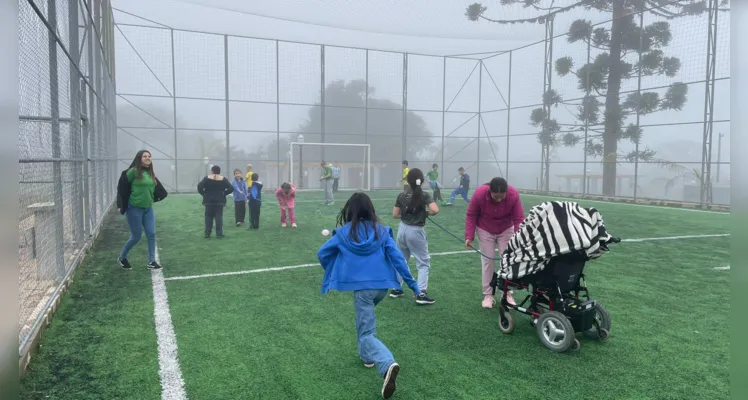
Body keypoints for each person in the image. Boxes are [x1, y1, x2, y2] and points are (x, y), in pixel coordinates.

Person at [317, 192, 420, 399]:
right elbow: (398, 259)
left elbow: (322, 253)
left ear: (350, 211)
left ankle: (387, 363)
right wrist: (413, 285)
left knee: (366, 333)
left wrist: (334, 268)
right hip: (381, 289)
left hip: (363, 290)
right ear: (370, 210)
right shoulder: (381, 231)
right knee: (364, 322)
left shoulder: (344, 233)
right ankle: (366, 357)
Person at [464, 177, 525, 309]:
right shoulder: (480, 194)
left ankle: (507, 293)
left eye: (501, 197)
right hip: (485, 228)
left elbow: (518, 218)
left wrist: (519, 238)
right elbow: (471, 214)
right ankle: (488, 295)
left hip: (506, 229)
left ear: (506, 192)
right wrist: (469, 236)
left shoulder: (513, 195)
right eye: (495, 196)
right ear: (489, 191)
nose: (498, 199)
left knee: (508, 260)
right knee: (488, 261)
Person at [390, 168, 439, 304]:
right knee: (423, 262)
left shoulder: (401, 195)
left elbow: (395, 214)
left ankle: (396, 288)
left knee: (401, 259)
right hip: (416, 231)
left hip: (402, 229)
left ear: (408, 181)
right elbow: (435, 210)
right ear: (422, 181)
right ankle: (421, 293)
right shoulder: (424, 195)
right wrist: (425, 213)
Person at [116, 150, 168, 270]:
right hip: (134, 208)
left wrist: (151, 199)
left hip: (148, 209)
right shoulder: (132, 172)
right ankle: (122, 257)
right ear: (139, 158)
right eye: (144, 156)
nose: (147, 158)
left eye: (149, 156)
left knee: (151, 233)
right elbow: (121, 187)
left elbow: (158, 190)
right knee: (136, 236)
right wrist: (120, 204)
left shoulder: (150, 173)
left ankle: (151, 261)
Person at [197, 165, 234, 238]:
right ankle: (219, 234)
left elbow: (199, 186)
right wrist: (224, 194)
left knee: (208, 217)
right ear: (219, 171)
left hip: (209, 200)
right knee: (219, 217)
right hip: (219, 200)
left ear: (212, 171)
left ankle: (207, 233)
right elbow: (231, 188)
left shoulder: (206, 178)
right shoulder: (223, 179)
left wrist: (204, 194)